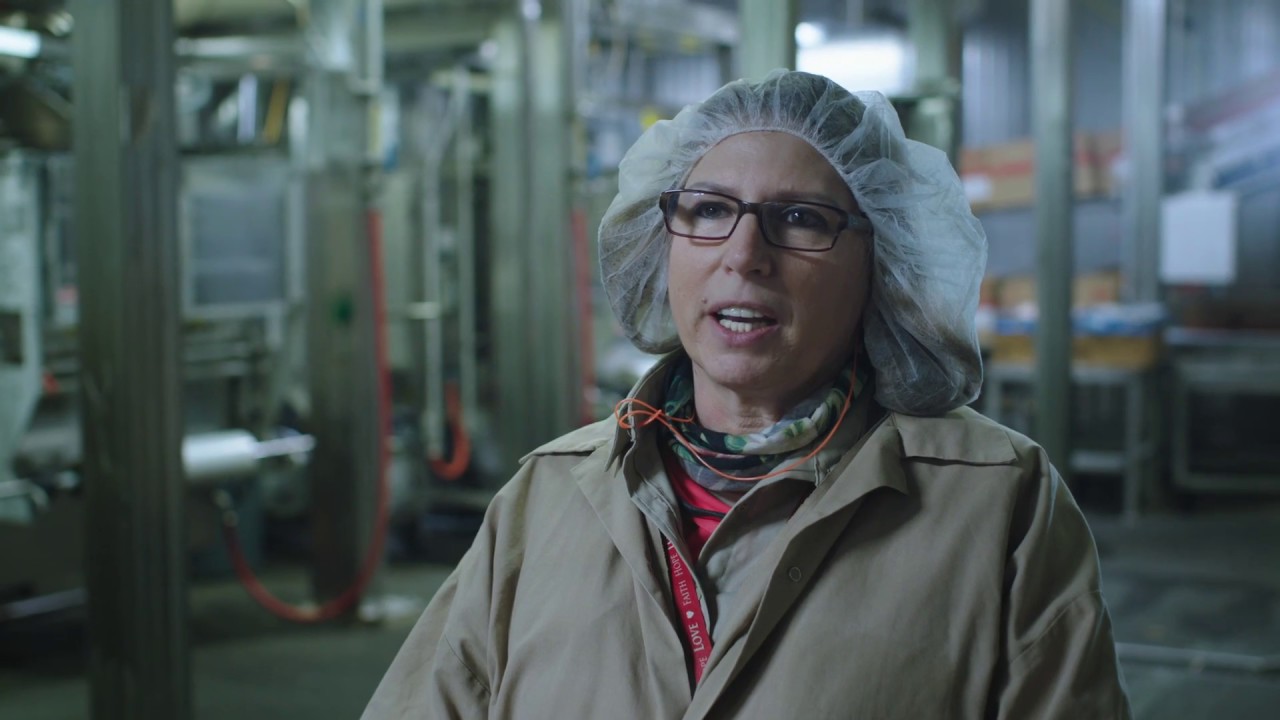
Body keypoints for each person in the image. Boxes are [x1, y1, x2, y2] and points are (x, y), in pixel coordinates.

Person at [363, 70, 1132, 719]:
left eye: (799, 219)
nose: (743, 254)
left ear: (884, 261)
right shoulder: (549, 494)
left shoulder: (998, 506)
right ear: (662, 240)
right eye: (709, 209)